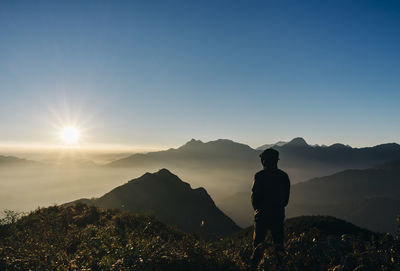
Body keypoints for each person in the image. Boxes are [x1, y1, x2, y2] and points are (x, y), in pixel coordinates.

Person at [250, 148, 290, 268]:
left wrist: (259, 209)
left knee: (258, 246)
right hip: (277, 215)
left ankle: (254, 267)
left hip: (261, 215)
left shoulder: (259, 176)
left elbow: (254, 199)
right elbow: (285, 200)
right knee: (279, 245)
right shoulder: (283, 176)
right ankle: (281, 267)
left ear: (264, 161)